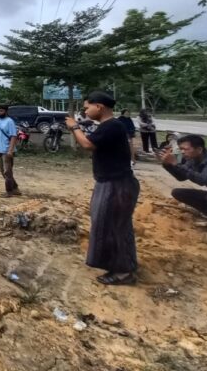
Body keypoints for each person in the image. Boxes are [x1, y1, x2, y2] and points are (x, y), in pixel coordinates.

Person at [66, 91, 139, 286]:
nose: (85, 110)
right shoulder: (108, 126)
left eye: (87, 107)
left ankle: (124, 272)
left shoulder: (112, 126)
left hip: (116, 185)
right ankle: (122, 265)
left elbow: (87, 144)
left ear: (99, 107)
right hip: (111, 183)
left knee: (114, 228)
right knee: (113, 226)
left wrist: (74, 127)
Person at [158, 134, 207, 228]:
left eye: (185, 149)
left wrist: (176, 163)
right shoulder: (193, 159)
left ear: (199, 150)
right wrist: (167, 164)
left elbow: (202, 180)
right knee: (178, 192)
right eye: (181, 149)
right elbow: (181, 177)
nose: (182, 152)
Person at [0, 104, 20, 197]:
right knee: (2, 171)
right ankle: (15, 188)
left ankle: (9, 191)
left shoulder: (9, 122)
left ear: (6, 111)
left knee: (7, 171)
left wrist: (10, 150)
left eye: (1, 111)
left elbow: (13, 136)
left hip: (6, 150)